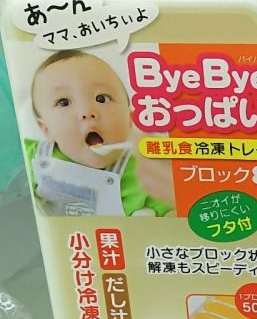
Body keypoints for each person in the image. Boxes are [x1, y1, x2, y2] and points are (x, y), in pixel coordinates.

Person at [25, 49, 175, 217]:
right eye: (64, 102)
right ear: (45, 128)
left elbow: (174, 209)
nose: (87, 112)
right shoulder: (32, 157)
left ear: (129, 119)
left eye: (101, 98)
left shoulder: (144, 172)